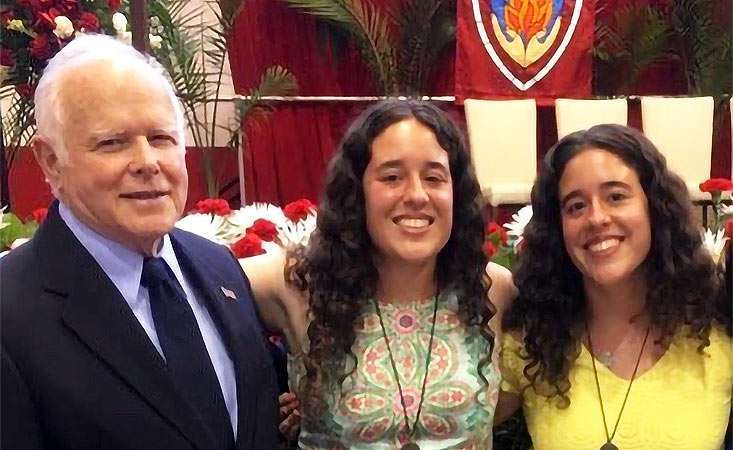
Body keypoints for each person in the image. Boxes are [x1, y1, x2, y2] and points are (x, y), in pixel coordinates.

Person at [0, 34, 278, 450]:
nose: (147, 162)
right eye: (113, 142)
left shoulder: (218, 266)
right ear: (51, 161)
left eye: (162, 138)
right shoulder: (10, 314)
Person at [243, 99, 515, 448]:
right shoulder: (299, 286)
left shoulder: (492, 291)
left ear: (456, 192)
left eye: (434, 177)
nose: (416, 195)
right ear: (357, 192)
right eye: (391, 177)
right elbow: (189, 278)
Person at [496, 124, 732, 449]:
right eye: (576, 206)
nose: (597, 218)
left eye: (616, 197)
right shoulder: (533, 343)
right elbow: (452, 424)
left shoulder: (716, 331)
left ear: (655, 208)